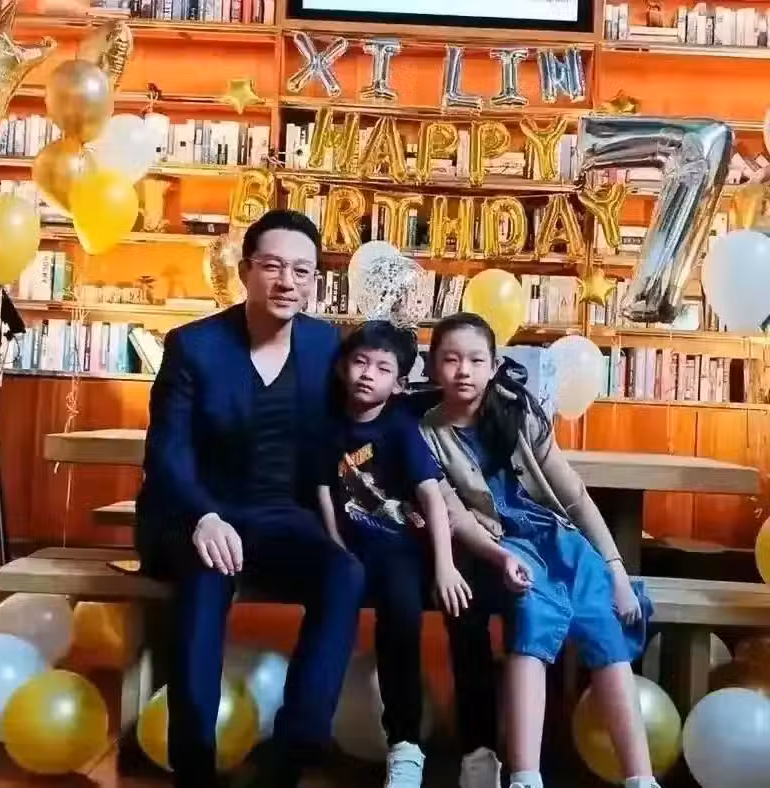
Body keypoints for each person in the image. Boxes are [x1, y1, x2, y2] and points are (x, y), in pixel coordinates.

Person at [135, 209, 366, 788]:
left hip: (281, 516)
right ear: (245, 272)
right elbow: (166, 452)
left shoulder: (323, 343)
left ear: (315, 281)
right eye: (273, 266)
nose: (287, 281)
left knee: (344, 572)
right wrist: (203, 516)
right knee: (205, 577)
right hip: (199, 512)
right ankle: (194, 766)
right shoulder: (194, 346)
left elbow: (360, 417)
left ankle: (292, 752)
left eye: (302, 271)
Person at [420, 313, 658, 788]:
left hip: (558, 538)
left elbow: (575, 497)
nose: (463, 371)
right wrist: (501, 557)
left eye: (476, 360)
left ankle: (641, 778)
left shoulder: (520, 413)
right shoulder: (428, 432)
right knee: (532, 611)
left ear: (494, 366)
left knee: (605, 618)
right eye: (451, 359)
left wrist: (615, 570)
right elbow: (456, 516)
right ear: (432, 367)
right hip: (499, 544)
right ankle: (526, 776)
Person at [318, 321, 471, 788]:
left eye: (383, 368)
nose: (368, 374)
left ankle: (405, 744)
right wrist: (336, 546)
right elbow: (323, 490)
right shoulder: (326, 425)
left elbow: (432, 498)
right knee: (328, 611)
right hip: (348, 551)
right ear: (343, 367)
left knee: (402, 617)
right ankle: (310, 731)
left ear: (400, 384)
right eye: (360, 362)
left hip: (399, 550)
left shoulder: (400, 429)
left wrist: (444, 566)